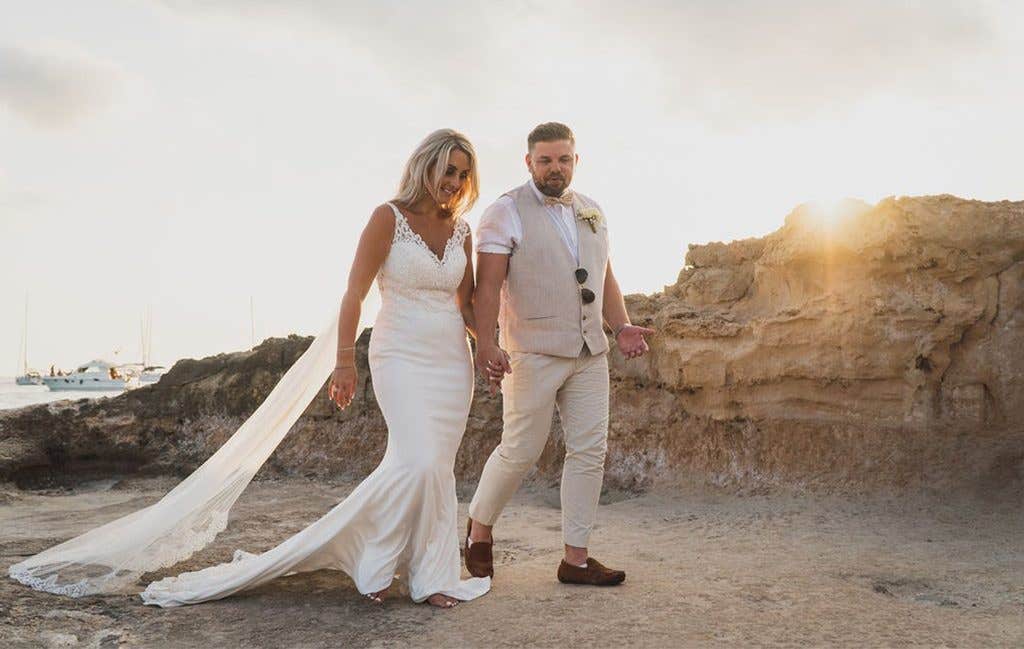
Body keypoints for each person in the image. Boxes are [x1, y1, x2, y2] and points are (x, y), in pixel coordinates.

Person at [135, 128, 491, 608]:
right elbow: (354, 294)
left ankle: (434, 575)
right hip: (400, 356)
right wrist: (344, 361)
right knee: (418, 460)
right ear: (425, 166)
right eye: (449, 169)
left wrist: (491, 344)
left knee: (435, 469)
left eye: (463, 174)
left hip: (452, 363)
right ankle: (375, 561)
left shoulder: (462, 232)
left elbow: (466, 305)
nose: (455, 181)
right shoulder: (388, 218)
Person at [466, 122, 654, 586]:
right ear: (529, 162)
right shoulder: (504, 211)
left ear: (576, 161)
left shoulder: (592, 210)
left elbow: (604, 276)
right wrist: (485, 342)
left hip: (590, 351)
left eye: (563, 159)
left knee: (590, 451)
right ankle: (478, 531)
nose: (555, 168)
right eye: (545, 160)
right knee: (520, 450)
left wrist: (623, 324)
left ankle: (576, 558)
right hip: (531, 352)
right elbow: (488, 286)